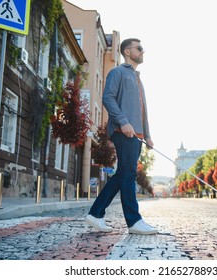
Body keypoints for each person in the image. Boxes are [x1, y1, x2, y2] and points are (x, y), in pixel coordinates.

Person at [85, 38, 158, 235]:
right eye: (139, 48)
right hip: (122, 131)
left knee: (123, 174)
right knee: (128, 174)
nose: (143, 51)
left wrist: (148, 135)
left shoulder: (137, 78)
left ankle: (95, 214)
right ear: (127, 51)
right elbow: (108, 98)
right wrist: (123, 121)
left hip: (137, 134)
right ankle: (134, 221)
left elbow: (144, 111)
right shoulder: (117, 72)